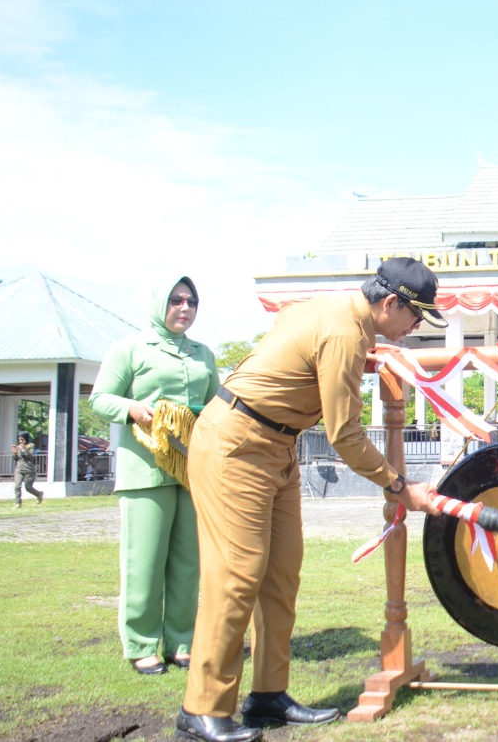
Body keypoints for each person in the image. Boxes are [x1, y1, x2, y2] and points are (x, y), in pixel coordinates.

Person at [176, 257, 446, 742]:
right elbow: (344, 436)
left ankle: (267, 697)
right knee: (237, 576)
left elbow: (291, 334)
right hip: (236, 444)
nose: (416, 326)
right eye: (416, 315)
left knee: (281, 573)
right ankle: (202, 710)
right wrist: (402, 488)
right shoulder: (344, 334)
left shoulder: (332, 311)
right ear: (390, 303)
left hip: (277, 446)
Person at [90, 276, 219, 676]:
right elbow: (99, 398)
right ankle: (141, 644)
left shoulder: (203, 354)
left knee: (187, 562)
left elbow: (217, 407)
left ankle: (181, 641)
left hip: (192, 471)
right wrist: (131, 408)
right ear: (158, 304)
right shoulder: (129, 348)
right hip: (145, 470)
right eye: (176, 300)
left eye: (191, 302)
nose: (185, 308)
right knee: (144, 562)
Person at [11, 431, 42, 508]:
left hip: (29, 470)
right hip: (19, 469)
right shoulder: (18, 447)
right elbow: (15, 459)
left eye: (22, 439)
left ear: (26, 439)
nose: (20, 441)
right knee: (17, 486)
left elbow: (31, 457)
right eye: (19, 439)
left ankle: (39, 494)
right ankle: (18, 503)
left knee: (28, 488)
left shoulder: (31, 446)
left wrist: (25, 450)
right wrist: (14, 453)